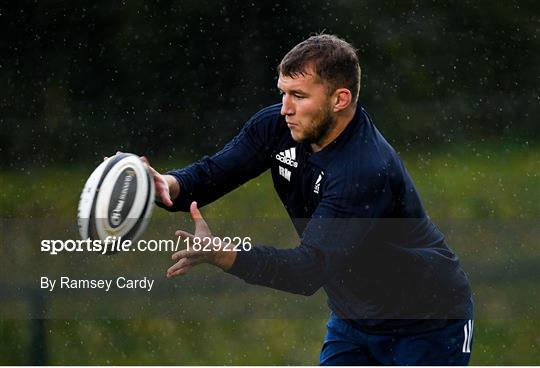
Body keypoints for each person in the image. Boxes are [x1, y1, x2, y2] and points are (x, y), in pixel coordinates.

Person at [147, 34, 474, 365]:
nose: (285, 108)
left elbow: (306, 270)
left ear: (340, 99)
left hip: (428, 323)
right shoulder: (277, 127)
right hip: (353, 320)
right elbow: (209, 175)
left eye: (299, 96)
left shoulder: (363, 170)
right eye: (283, 93)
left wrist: (222, 254)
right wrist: (167, 185)